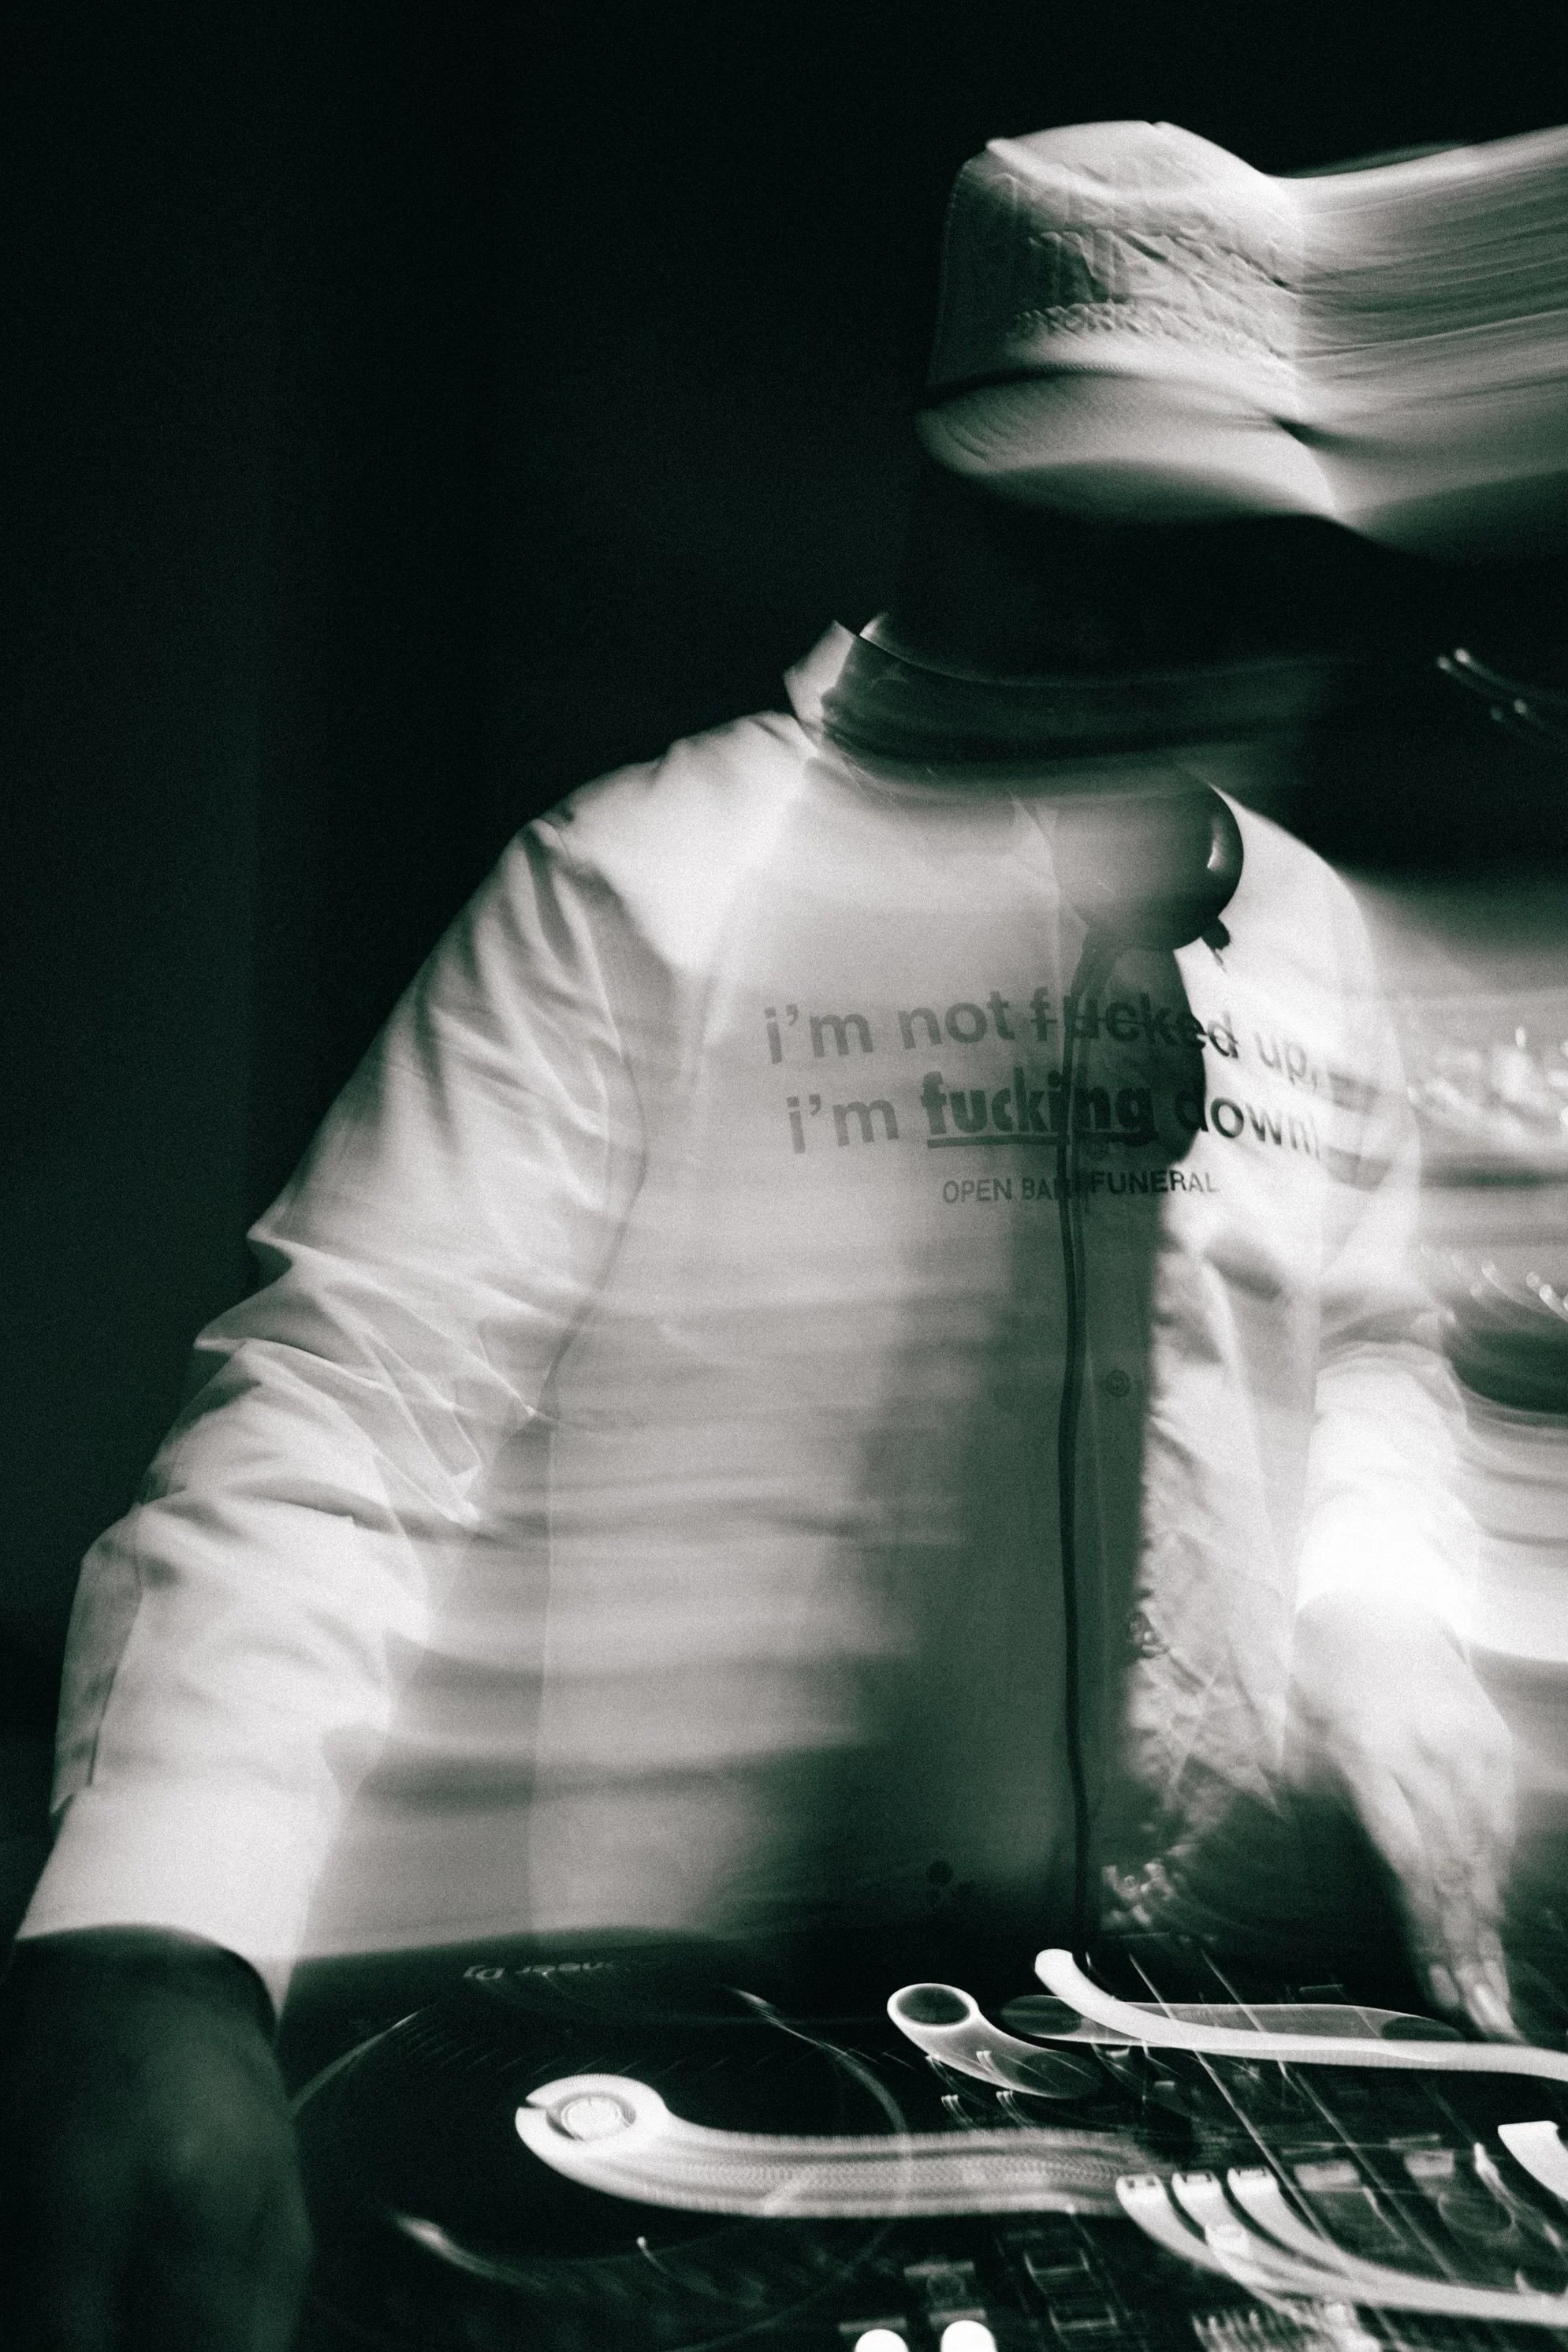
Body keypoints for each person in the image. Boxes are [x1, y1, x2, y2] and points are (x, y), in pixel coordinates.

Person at [3, 114, 1560, 2352]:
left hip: (1152, 2081)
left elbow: (1380, 1337)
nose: (1140, 611)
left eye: (1208, 548)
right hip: (696, 2086)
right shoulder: (647, 884)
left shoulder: (1295, 928)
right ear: (950, 490)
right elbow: (352, 1410)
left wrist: (1389, 1624)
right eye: (1084, 532)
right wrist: (154, 1933)